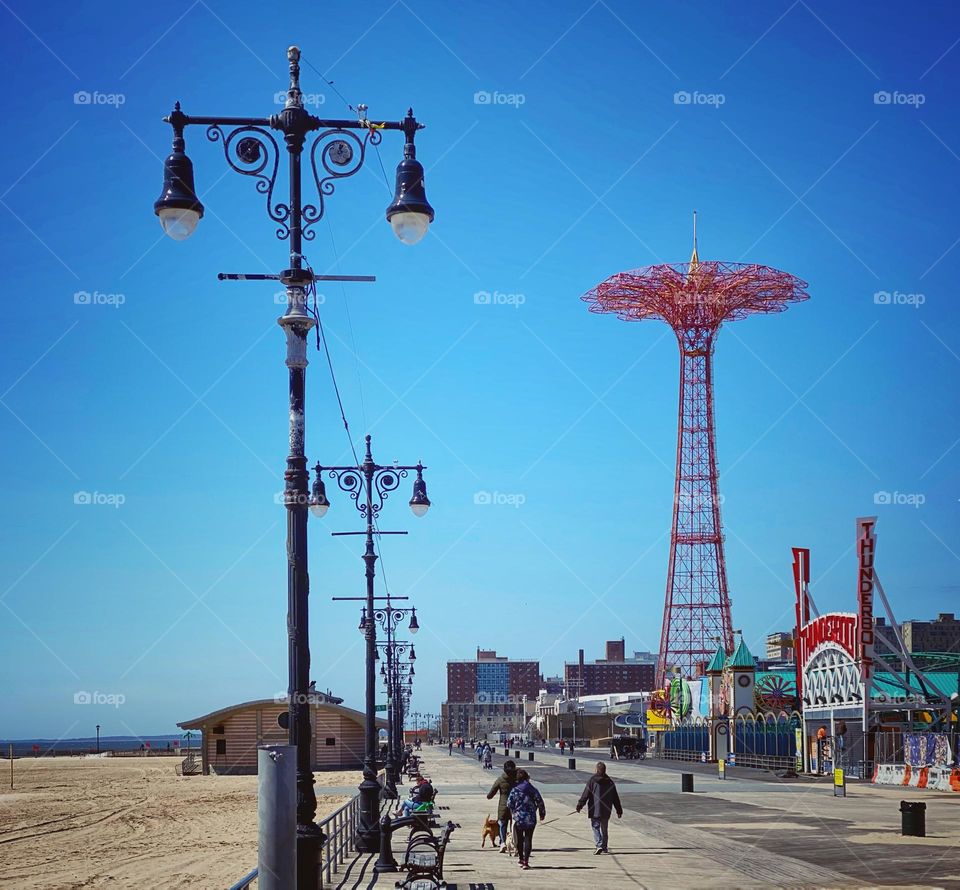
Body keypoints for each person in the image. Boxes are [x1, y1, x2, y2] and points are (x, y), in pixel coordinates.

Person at [576, 762, 622, 854]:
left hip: (595, 809)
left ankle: (599, 845)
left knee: (595, 827)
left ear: (596, 770)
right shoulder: (610, 782)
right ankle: (604, 846)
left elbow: (586, 794)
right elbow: (615, 797)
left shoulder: (592, 781)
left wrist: (580, 805)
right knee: (604, 828)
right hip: (606, 809)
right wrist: (619, 809)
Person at [506, 769, 546, 870]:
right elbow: (540, 802)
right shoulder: (533, 789)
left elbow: (509, 804)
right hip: (530, 818)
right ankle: (526, 861)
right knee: (528, 839)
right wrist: (542, 814)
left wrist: (514, 811)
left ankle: (520, 858)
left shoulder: (515, 790)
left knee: (519, 839)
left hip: (518, 818)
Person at [486, 758, 518, 853]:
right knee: (514, 826)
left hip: (503, 806)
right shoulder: (516, 779)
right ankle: (514, 843)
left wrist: (489, 796)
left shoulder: (500, 779)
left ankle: (503, 843)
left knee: (502, 825)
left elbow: (491, 793)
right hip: (514, 806)